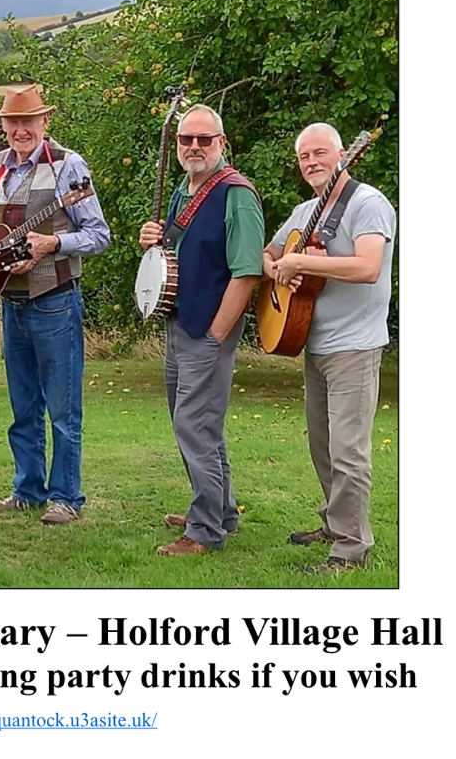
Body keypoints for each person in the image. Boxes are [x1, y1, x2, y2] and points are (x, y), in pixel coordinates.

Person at [266, 122, 396, 575]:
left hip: (355, 346)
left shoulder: (368, 203)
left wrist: (300, 261)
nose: (312, 162)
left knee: (348, 451)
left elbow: (368, 267)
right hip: (312, 342)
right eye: (304, 157)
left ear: (342, 154)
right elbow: (268, 254)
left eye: (319, 152)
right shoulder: (305, 211)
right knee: (323, 446)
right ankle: (335, 521)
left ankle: (350, 549)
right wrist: (281, 267)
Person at [0, 85, 110, 525]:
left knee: (63, 408)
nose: (20, 130)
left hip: (55, 301)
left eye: (28, 121)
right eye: (12, 122)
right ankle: (27, 490)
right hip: (9, 302)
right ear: (3, 126)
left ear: (44, 123)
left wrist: (54, 242)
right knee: (22, 407)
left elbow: (99, 234)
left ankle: (67, 497)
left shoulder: (70, 166)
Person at [138, 105, 264, 557]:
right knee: (198, 425)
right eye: (186, 139)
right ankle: (221, 512)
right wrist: (152, 239)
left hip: (207, 331)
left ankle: (204, 530)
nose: (194, 146)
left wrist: (215, 336)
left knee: (194, 426)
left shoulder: (238, 195)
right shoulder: (184, 190)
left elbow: (247, 272)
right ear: (177, 146)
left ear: (222, 143)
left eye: (204, 140)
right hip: (180, 323)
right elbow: (176, 255)